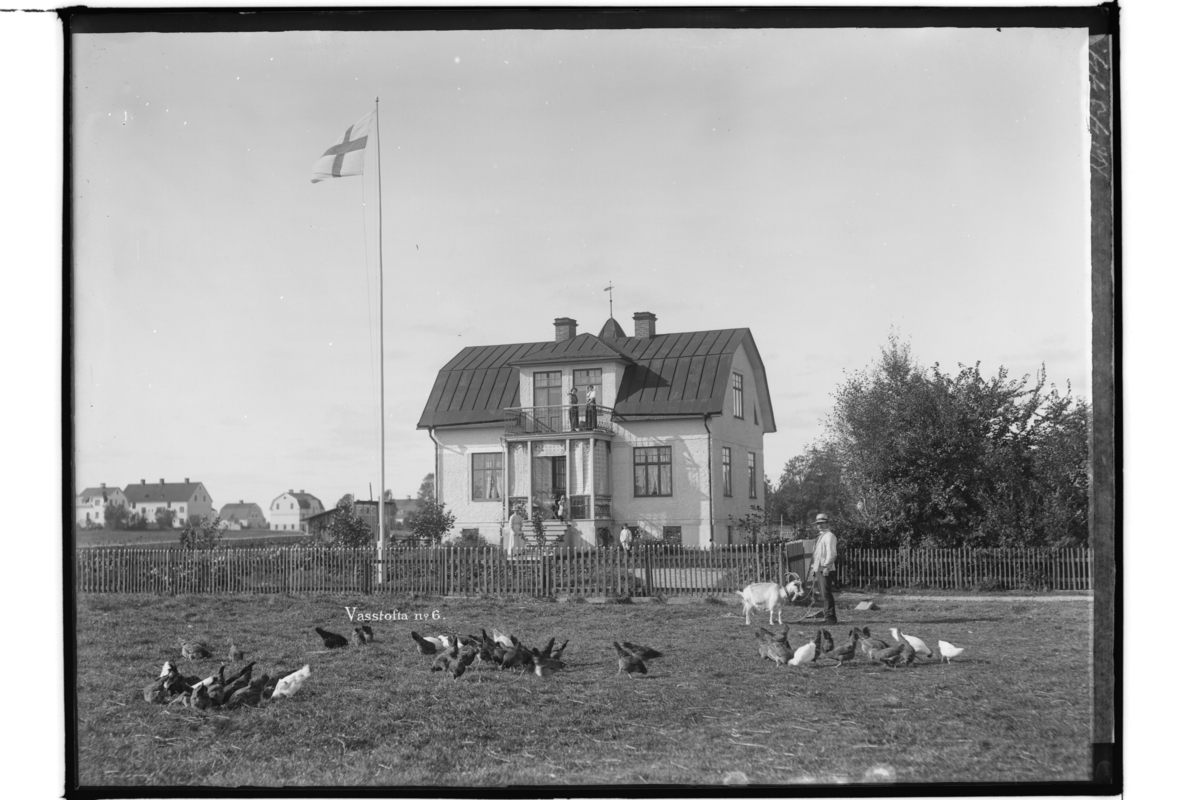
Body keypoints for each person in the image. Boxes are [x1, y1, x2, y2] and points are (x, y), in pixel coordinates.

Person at [809, 513, 839, 624]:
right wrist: (814, 568)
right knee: (823, 594)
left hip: (825, 569)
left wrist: (827, 567)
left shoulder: (830, 536)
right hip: (819, 568)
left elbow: (832, 554)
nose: (820, 525)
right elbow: (817, 555)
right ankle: (827, 615)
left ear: (827, 523)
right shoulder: (820, 537)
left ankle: (830, 618)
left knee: (826, 594)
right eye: (818, 524)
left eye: (822, 523)